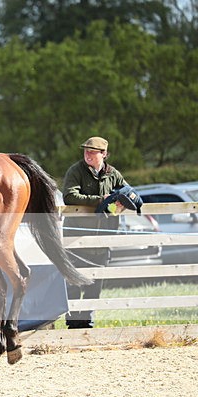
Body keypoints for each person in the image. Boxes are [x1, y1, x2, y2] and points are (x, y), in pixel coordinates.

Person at [61, 136, 129, 329]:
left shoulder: (113, 173)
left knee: (95, 284)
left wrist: (122, 202)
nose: (88, 154)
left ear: (104, 154)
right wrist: (100, 200)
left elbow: (128, 192)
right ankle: (73, 324)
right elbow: (69, 196)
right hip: (77, 237)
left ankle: (87, 323)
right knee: (73, 282)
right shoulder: (75, 170)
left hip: (103, 238)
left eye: (93, 151)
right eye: (86, 151)